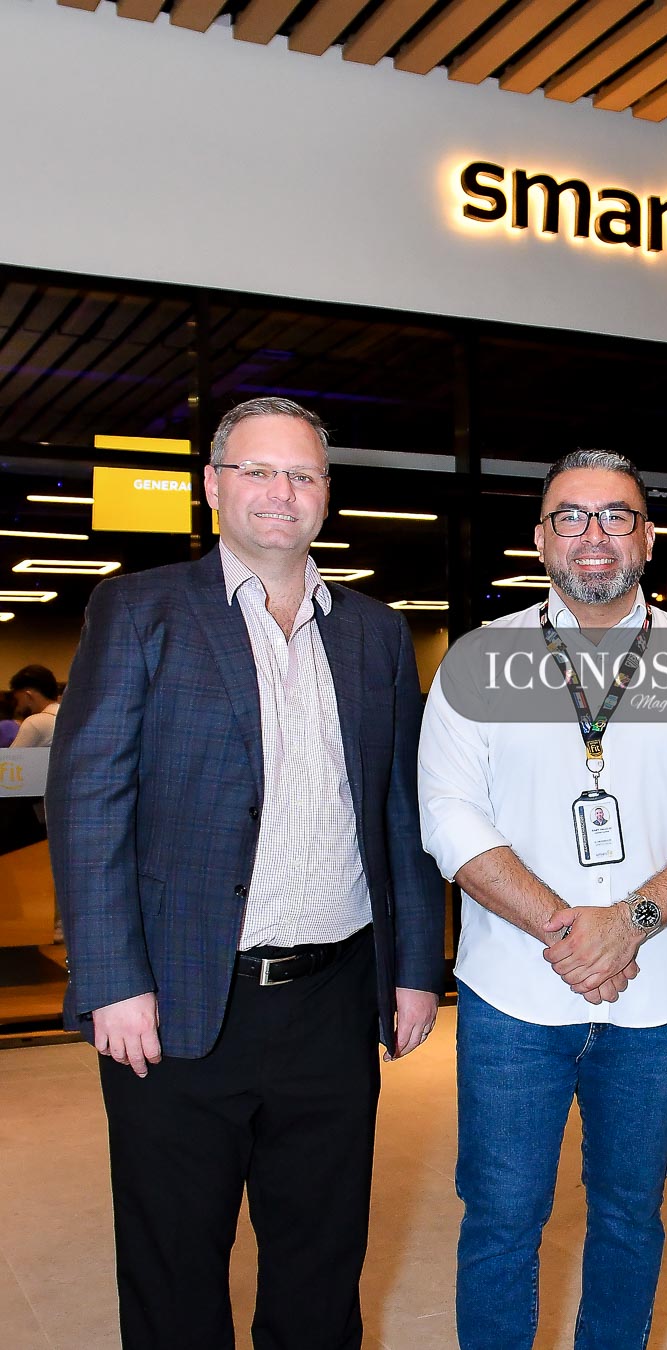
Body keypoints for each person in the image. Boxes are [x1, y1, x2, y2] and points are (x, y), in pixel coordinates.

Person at [46, 396, 445, 1350]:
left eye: (301, 474)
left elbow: (401, 811)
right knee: (175, 1265)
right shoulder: (141, 610)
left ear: (326, 495)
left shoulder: (375, 633)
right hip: (178, 997)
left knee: (321, 1259)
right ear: (214, 486)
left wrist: (415, 968)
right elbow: (89, 799)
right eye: (258, 471)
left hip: (334, 1000)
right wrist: (111, 978)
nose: (280, 492)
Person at [419, 448, 667, 1349]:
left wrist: (630, 923)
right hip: (512, 994)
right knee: (501, 1217)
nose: (594, 535)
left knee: (629, 1217)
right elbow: (449, 818)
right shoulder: (477, 662)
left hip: (653, 1001)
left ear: (647, 537)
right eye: (570, 516)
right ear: (540, 540)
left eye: (616, 516)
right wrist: (570, 931)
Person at [9, 664, 61, 746]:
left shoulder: (35, 722)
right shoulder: (70, 717)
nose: (18, 707)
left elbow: (13, 754)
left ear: (28, 695)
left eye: (18, 700)